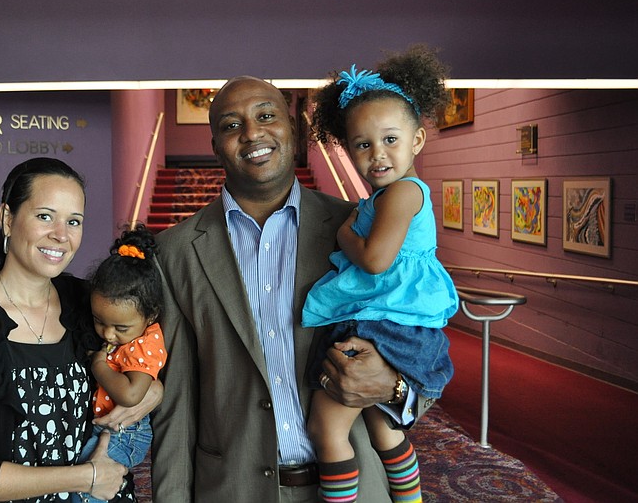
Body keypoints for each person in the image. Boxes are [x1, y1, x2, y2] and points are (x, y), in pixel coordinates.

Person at [151, 76, 433, 503]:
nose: (252, 133)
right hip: (233, 490)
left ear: (294, 130)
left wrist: (394, 388)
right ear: (216, 148)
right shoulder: (175, 252)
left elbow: (417, 329)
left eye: (267, 116)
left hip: (357, 484)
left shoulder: (356, 230)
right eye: (231, 125)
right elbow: (177, 401)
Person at [0, 157, 160, 503]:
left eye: (73, 221)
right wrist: (88, 477)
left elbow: (143, 365)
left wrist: (154, 391)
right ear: (7, 218)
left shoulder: (90, 304)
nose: (61, 235)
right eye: (45, 216)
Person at [302, 46, 459, 502]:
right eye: (363, 144)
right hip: (390, 319)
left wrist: (346, 234)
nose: (378, 154)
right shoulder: (384, 197)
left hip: (386, 323)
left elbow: (375, 261)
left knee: (326, 429)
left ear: (418, 140)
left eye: (391, 139)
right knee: (384, 433)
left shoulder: (403, 193)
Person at [73, 225, 168, 503]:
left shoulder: (147, 344)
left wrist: (99, 366)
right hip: (108, 428)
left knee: (85, 488)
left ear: (151, 315)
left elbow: (130, 395)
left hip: (127, 434)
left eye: (120, 328)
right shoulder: (127, 334)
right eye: (99, 321)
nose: (108, 334)